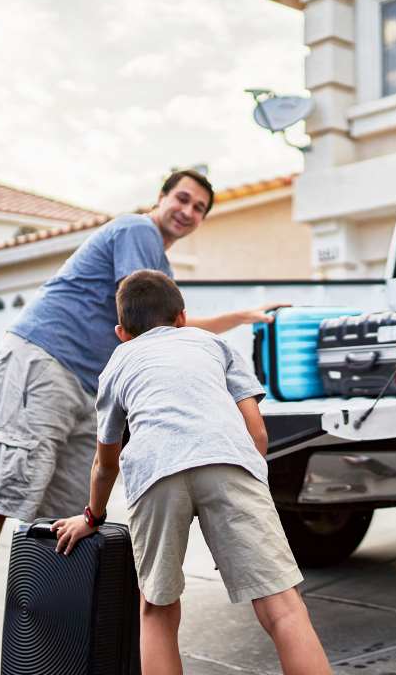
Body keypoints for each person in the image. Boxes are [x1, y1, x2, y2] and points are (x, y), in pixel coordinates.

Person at [0, 170, 283, 675]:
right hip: (44, 359)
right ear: (161, 198)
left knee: (65, 523)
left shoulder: (158, 263)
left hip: (89, 387)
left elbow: (168, 325)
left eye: (200, 207)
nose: (188, 211)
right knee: (5, 480)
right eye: (183, 198)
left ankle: (50, 655)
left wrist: (241, 316)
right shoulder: (138, 232)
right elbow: (156, 327)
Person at [52, 269, 331, 675]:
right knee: (283, 606)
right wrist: (245, 498)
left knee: (156, 609)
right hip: (229, 462)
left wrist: (92, 516)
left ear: (121, 332)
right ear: (182, 317)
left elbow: (105, 462)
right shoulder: (212, 343)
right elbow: (257, 432)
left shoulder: (117, 363)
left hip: (155, 473)